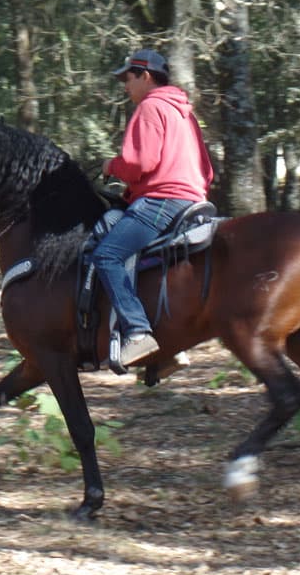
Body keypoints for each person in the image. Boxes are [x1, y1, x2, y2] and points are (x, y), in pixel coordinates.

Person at [92, 48, 215, 368]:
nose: (124, 87)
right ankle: (170, 347)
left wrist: (110, 165)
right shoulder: (184, 113)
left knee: (106, 255)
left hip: (162, 201)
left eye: (128, 79)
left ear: (145, 75)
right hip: (194, 201)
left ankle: (137, 332)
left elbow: (138, 163)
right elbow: (208, 169)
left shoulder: (150, 106)